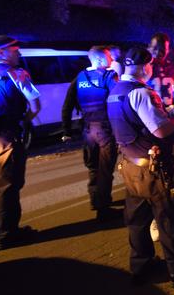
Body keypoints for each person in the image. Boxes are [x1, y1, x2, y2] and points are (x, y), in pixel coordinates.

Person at [106, 47, 174, 288]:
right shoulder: (142, 93)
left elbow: (135, 124)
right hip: (153, 171)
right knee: (169, 221)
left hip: (130, 168)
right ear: (146, 66)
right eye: (151, 65)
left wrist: (168, 112)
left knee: (137, 221)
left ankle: (141, 267)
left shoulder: (115, 92)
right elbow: (161, 130)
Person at [0, 35, 41, 249]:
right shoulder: (15, 73)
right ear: (1, 52)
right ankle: (7, 233)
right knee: (8, 185)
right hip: (5, 137)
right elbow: (35, 105)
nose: (19, 53)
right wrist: (22, 121)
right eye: (15, 50)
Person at [62, 46, 121, 221]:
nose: (111, 60)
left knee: (94, 167)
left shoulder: (79, 78)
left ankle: (96, 200)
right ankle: (103, 210)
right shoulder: (110, 76)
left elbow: (67, 105)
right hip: (105, 129)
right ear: (101, 59)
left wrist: (67, 130)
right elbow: (118, 101)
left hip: (88, 130)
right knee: (105, 169)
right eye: (109, 56)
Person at [147, 32, 174, 106]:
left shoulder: (170, 66)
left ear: (168, 50)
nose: (158, 52)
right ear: (148, 47)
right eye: (155, 48)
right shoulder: (142, 67)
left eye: (162, 49)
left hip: (168, 112)